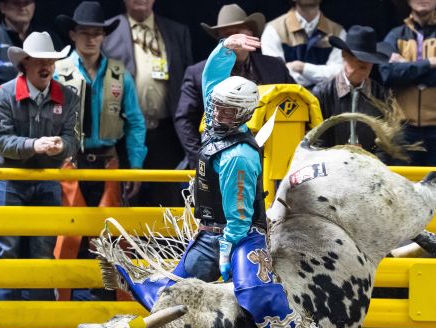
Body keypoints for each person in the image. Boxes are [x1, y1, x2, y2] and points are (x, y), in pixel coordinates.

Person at [115, 33, 324, 328]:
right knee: (173, 289)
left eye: (226, 109)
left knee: (252, 290)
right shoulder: (217, 124)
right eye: (217, 106)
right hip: (210, 231)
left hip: (242, 235)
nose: (217, 112)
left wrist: (228, 250)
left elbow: (240, 214)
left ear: (241, 114)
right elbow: (213, 79)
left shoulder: (239, 157)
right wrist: (225, 47)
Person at [0, 32, 80, 328]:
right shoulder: (1, 95)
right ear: (24, 64)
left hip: (46, 180)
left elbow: (73, 139)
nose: (46, 66)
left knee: (43, 254)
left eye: (51, 61)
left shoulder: (68, 96)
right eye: (40, 61)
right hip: (10, 180)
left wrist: (60, 148)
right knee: (8, 253)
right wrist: (35, 145)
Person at [52, 1, 147, 301]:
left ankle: (120, 311)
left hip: (108, 162)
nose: (90, 39)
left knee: (116, 237)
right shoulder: (58, 71)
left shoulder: (119, 73)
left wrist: (135, 166)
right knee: (68, 236)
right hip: (70, 161)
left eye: (97, 33)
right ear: (72, 34)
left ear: (104, 36)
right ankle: (61, 313)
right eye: (84, 33)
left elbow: (134, 122)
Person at [176, 4, 294, 169]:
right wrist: (205, 160)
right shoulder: (199, 73)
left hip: (273, 162)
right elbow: (185, 121)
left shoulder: (275, 66)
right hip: (221, 161)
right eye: (227, 36)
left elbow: (293, 104)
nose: (235, 41)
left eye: (238, 33)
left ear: (252, 33)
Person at [103, 0, 193, 207]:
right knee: (126, 204)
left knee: (169, 204)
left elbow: (188, 85)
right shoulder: (108, 31)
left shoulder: (177, 31)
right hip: (124, 136)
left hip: (167, 135)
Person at [380, 0, 436, 167]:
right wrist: (430, 63)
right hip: (403, 128)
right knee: (403, 186)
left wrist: (407, 70)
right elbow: (388, 73)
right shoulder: (395, 35)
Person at [311, 26, 391, 152]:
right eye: (358, 58)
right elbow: (316, 139)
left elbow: (386, 141)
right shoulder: (322, 92)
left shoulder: (381, 94)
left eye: (369, 60)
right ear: (344, 56)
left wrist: (372, 162)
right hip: (332, 165)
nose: (364, 65)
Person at [261, 0, 345, 89]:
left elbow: (339, 75)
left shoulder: (338, 32)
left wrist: (302, 68)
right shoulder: (273, 30)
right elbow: (276, 75)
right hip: (288, 98)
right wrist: (320, 75)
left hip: (327, 100)